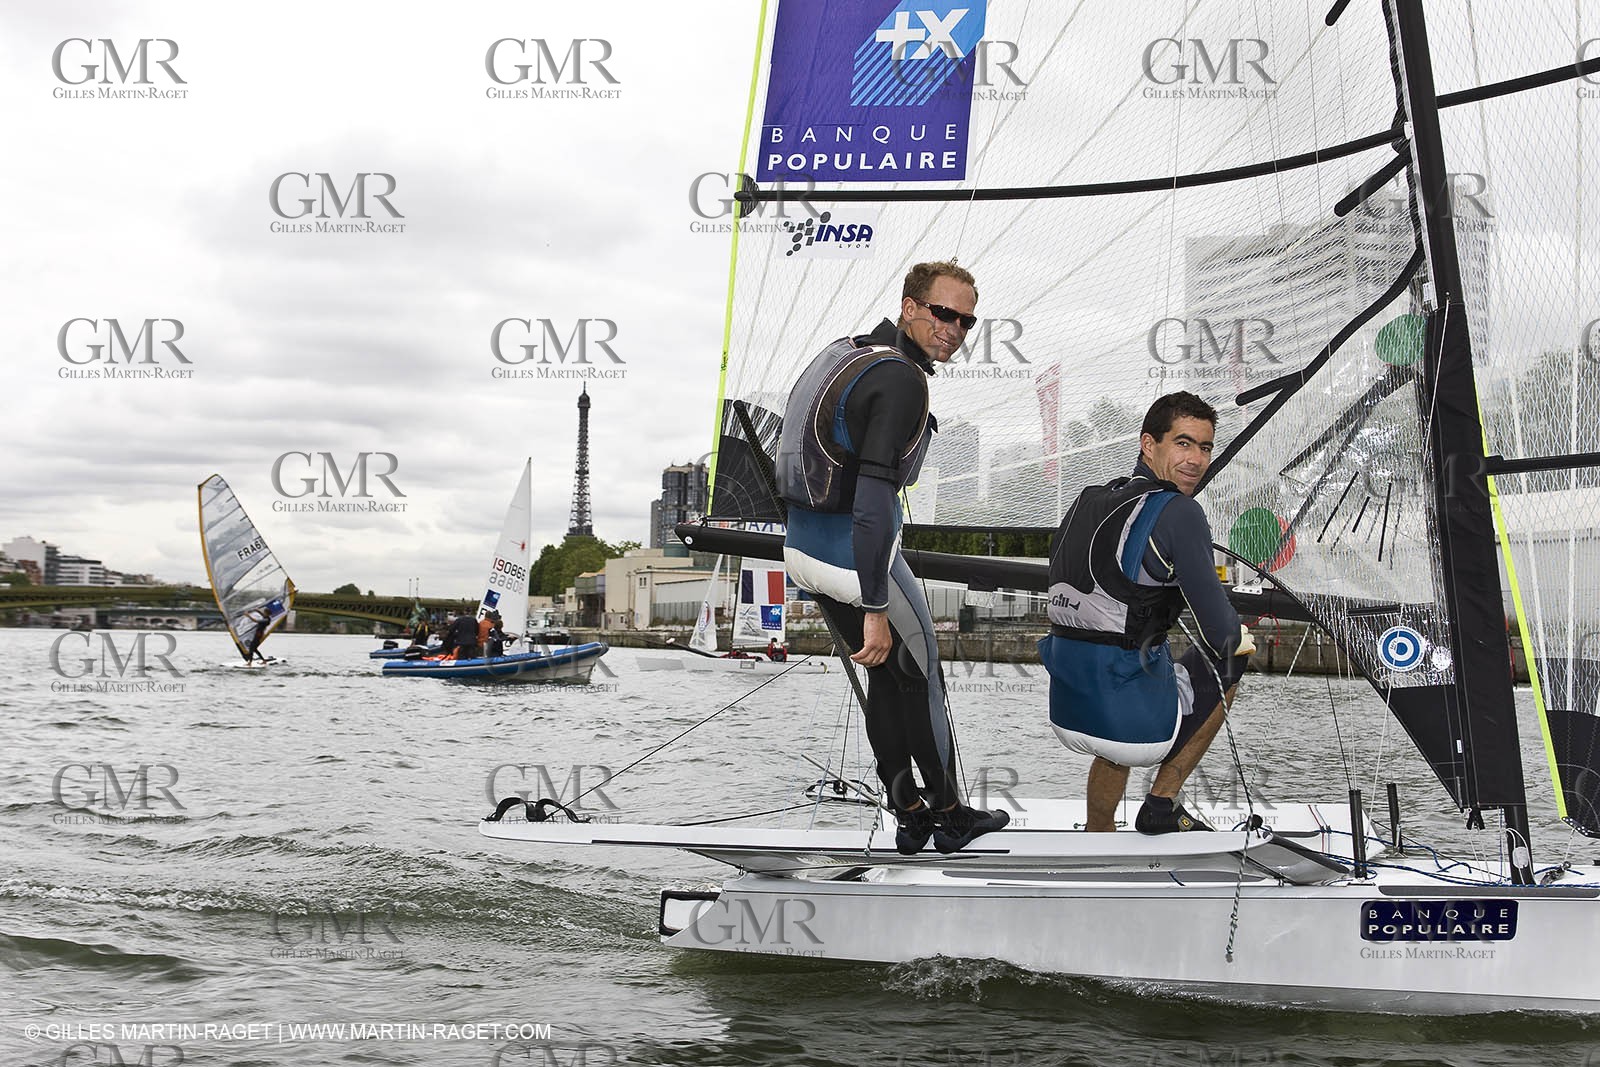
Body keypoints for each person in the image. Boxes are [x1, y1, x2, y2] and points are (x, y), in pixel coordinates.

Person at [775, 259, 1008, 856]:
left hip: (802, 549)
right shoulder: (903, 379)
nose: (955, 329)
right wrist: (876, 606)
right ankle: (950, 816)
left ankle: (909, 815)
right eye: (943, 313)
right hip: (856, 558)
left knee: (887, 678)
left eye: (967, 321)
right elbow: (875, 498)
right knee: (922, 674)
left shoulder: (844, 351)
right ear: (909, 307)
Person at [1038, 391, 1255, 834]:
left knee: (1129, 668)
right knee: (1233, 655)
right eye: (1183, 443)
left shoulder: (1088, 499)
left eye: (1205, 447)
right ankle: (1161, 804)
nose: (1196, 460)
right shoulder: (1180, 511)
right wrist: (1238, 633)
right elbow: (1222, 634)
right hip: (1131, 726)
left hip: (1068, 708)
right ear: (1148, 444)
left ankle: (1099, 830)